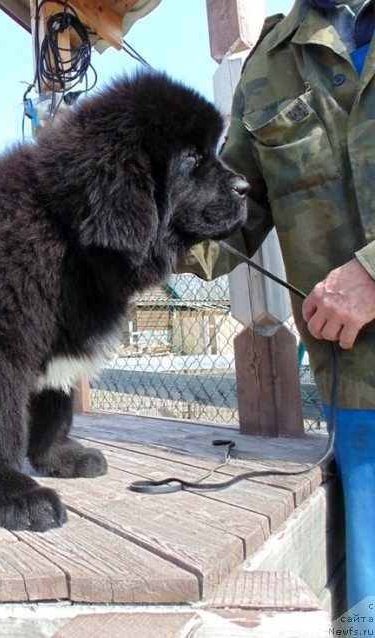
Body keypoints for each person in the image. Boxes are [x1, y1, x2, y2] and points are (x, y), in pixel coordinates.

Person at [182, 0, 375, 613]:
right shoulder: (270, 61)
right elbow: (230, 215)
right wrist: (116, 234)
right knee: (367, 605)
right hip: (360, 398)